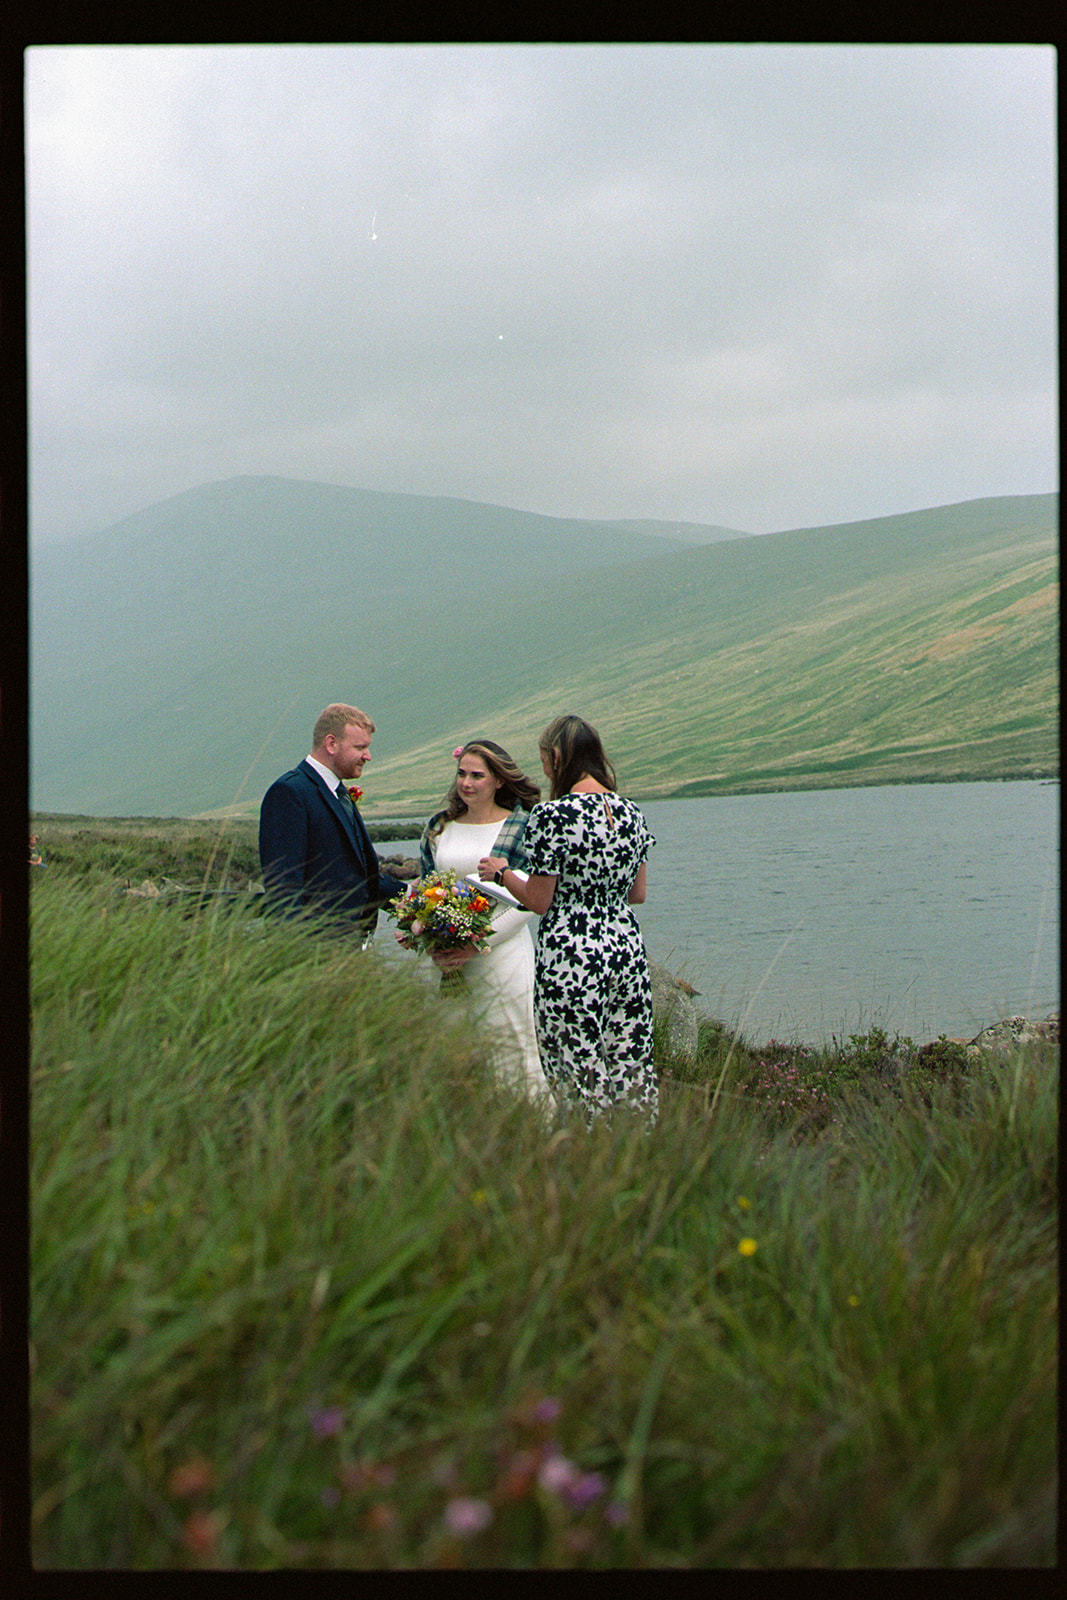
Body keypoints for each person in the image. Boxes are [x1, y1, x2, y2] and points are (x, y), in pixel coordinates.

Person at [478, 715, 658, 1126]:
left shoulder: (553, 816)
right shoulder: (631, 813)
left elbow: (539, 901)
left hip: (571, 955)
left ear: (558, 757)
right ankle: (639, 1154)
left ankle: (588, 1156)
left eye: (544, 760)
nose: (544, 769)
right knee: (630, 1062)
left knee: (577, 1065)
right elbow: (638, 894)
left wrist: (504, 875)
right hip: (625, 949)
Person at [416, 740, 549, 1102]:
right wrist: (426, 936)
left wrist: (476, 944)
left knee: (512, 1052)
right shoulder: (439, 827)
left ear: (500, 781)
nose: (467, 783)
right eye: (462, 774)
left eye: (477, 776)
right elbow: (425, 889)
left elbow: (529, 901)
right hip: (446, 964)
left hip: (502, 958)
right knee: (451, 1053)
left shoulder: (522, 826)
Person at [259, 703, 406, 937]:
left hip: (349, 949)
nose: (368, 756)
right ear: (331, 744)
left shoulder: (338, 793)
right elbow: (284, 889)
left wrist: (417, 898)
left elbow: (357, 877)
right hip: (315, 953)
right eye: (360, 747)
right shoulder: (289, 792)